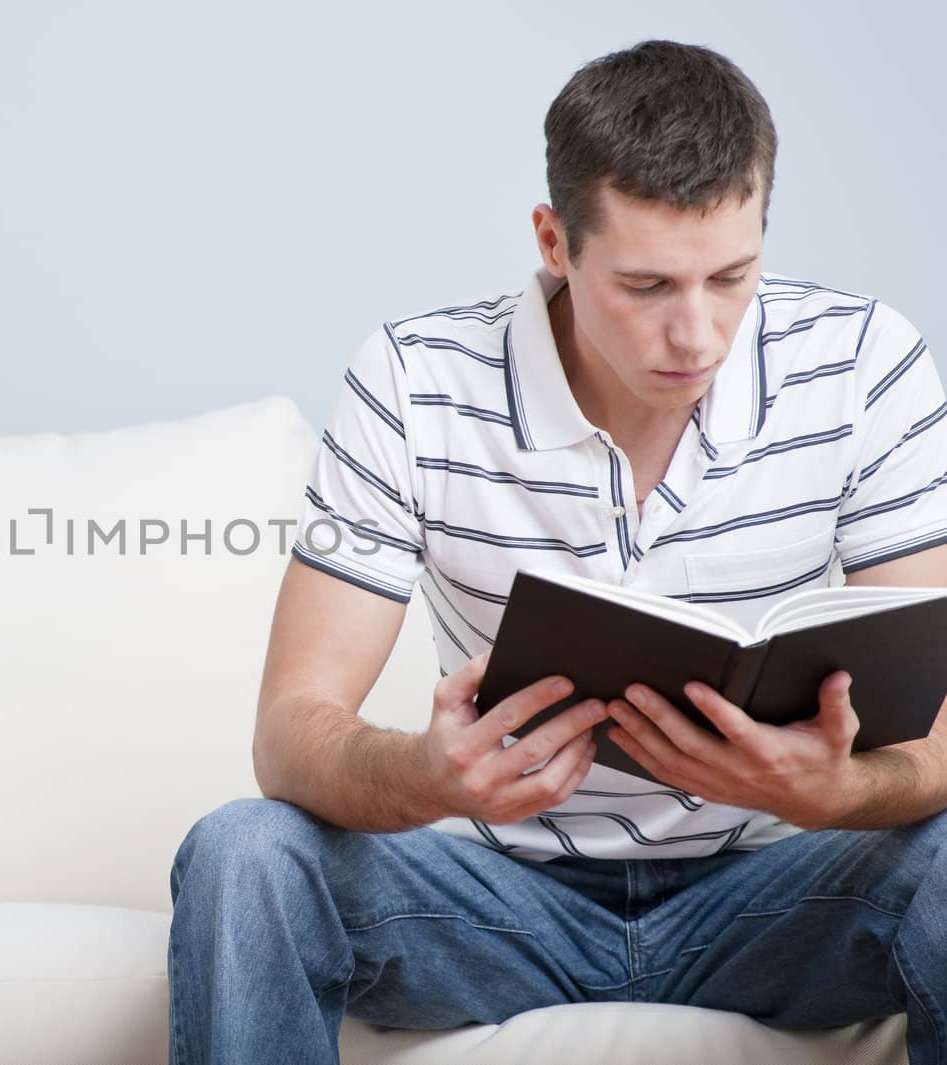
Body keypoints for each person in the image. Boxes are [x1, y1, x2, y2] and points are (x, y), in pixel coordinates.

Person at [167, 39, 947, 1065]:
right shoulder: (414, 382)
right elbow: (288, 736)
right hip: (493, 905)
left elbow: (936, 743)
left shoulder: (860, 367)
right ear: (553, 240)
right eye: (646, 285)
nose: (697, 334)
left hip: (777, 895)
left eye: (731, 276)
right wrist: (427, 774)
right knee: (241, 851)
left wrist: (833, 794)